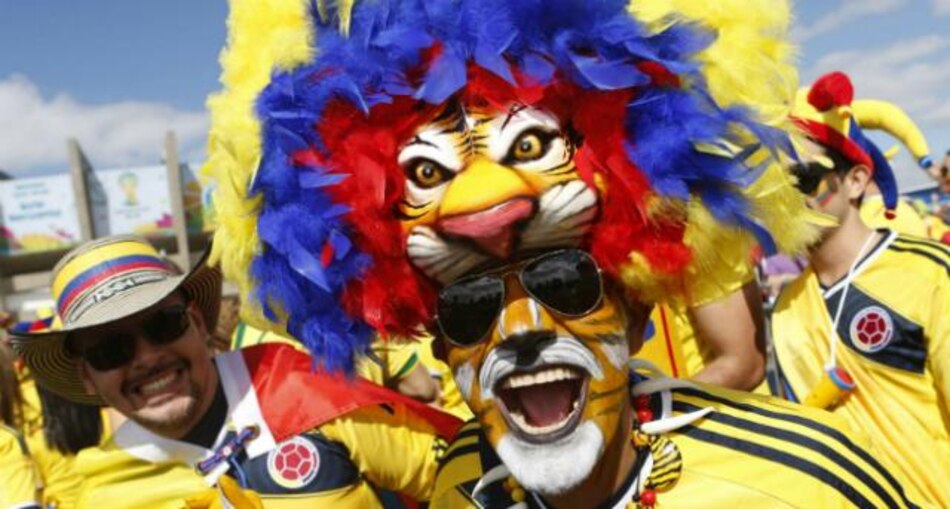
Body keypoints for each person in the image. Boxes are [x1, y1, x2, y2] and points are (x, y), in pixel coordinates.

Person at [201, 0, 917, 506]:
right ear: (444, 350)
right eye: (472, 305)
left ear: (634, 308)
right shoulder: (461, 487)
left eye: (564, 279)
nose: (517, 334)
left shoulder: (809, 481)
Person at [10, 235, 460, 508]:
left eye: (163, 324)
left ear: (199, 324)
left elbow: (459, 478)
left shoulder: (307, 394)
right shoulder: (106, 495)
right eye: (111, 349)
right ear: (88, 376)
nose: (147, 356)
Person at [771, 71, 948, 507]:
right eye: (774, 187)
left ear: (855, 181)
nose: (787, 200)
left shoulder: (929, 273)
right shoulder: (786, 309)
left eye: (803, 179)